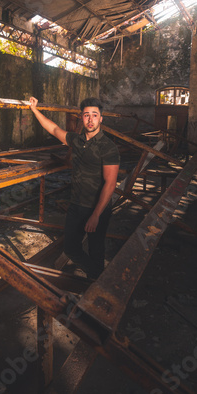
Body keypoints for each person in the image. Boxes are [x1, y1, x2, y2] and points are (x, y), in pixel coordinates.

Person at [29, 96, 120, 279]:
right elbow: (54, 129)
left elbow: (110, 184)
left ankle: (95, 287)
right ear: (81, 118)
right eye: (86, 115)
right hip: (76, 205)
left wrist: (95, 215)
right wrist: (34, 110)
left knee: (96, 251)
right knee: (71, 248)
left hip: (98, 209)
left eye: (95, 115)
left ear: (101, 119)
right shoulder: (77, 141)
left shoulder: (108, 148)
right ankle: (97, 279)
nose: (90, 119)